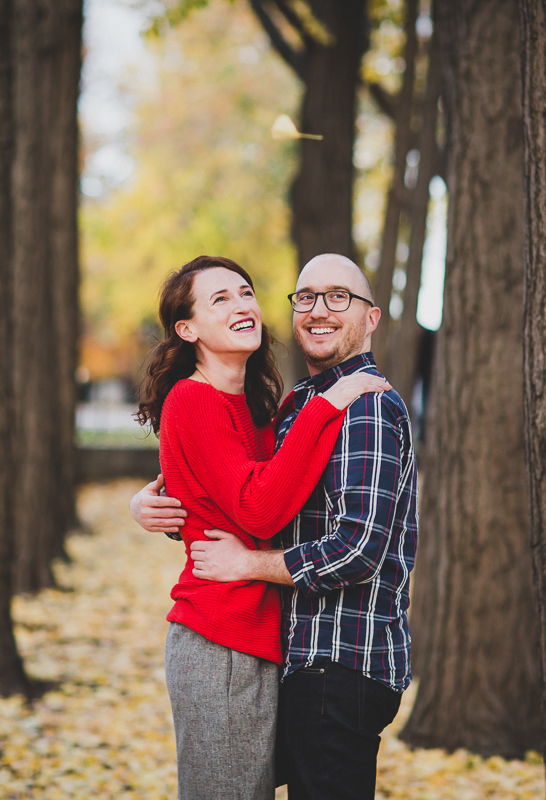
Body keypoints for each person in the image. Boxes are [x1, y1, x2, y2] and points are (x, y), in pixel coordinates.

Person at [133, 253, 419, 800]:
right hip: (237, 636)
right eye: (306, 297)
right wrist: (157, 506)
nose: (243, 304)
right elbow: (251, 505)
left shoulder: (347, 405)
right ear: (187, 329)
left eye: (246, 292)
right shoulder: (300, 404)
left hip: (327, 656)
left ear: (371, 317)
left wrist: (244, 559)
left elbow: (346, 542)